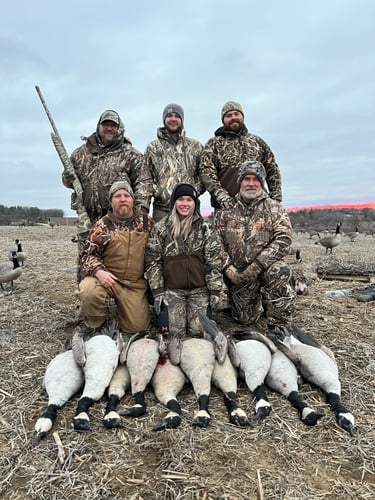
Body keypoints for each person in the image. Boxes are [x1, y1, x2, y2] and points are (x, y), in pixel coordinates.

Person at [215, 160, 295, 327]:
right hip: (239, 273)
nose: (251, 184)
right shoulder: (225, 210)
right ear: (240, 182)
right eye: (247, 179)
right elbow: (215, 243)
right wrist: (229, 269)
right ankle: (258, 302)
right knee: (245, 319)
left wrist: (257, 265)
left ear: (262, 182)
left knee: (280, 271)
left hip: (265, 268)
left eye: (256, 179)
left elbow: (284, 240)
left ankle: (279, 323)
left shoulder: (274, 208)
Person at [145, 183, 224, 338]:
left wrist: (214, 290)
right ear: (174, 202)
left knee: (200, 332)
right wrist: (158, 291)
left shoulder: (205, 229)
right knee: (173, 334)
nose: (185, 204)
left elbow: (213, 262)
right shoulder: (161, 229)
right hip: (172, 291)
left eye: (189, 200)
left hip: (199, 290)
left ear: (195, 203)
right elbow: (153, 261)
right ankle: (159, 314)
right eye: (181, 199)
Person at [75, 180, 154, 335]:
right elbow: (86, 255)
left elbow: (156, 251)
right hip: (108, 280)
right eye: (117, 196)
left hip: (134, 284)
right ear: (111, 202)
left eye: (126, 195)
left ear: (133, 200)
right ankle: (96, 323)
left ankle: (126, 312)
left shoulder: (145, 221)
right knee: (88, 291)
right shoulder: (102, 224)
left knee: (138, 329)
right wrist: (98, 271)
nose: (123, 199)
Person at [63, 109, 152, 222]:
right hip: (87, 220)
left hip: (120, 222)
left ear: (119, 129)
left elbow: (144, 185)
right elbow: (69, 182)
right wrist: (67, 177)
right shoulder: (80, 154)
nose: (109, 129)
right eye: (105, 125)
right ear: (98, 126)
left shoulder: (132, 155)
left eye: (113, 126)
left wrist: (138, 215)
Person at [200, 101, 282, 210]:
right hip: (227, 208)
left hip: (259, 207)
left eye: (236, 114)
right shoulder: (214, 144)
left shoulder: (257, 142)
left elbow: (272, 170)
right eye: (229, 115)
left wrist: (275, 199)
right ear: (223, 120)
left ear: (242, 116)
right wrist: (221, 196)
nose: (233, 117)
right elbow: (207, 172)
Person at [144, 104, 205, 222]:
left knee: (193, 240)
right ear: (164, 120)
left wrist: (192, 192)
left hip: (190, 209)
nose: (173, 119)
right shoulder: (153, 147)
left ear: (182, 120)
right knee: (162, 240)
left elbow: (205, 175)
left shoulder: (195, 146)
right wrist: (159, 192)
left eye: (177, 116)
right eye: (169, 116)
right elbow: (145, 179)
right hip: (162, 210)